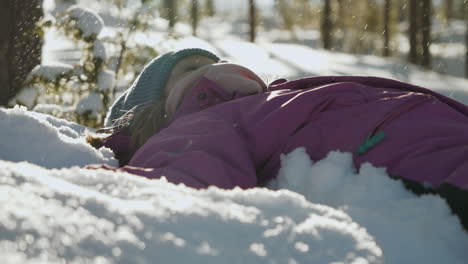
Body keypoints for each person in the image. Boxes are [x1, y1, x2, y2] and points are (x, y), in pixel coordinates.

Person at [88, 48, 468, 229]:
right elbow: (187, 180)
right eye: (192, 68)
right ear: (159, 110)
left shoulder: (272, 102)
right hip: (428, 164)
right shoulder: (198, 121)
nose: (212, 66)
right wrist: (87, 188)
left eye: (212, 59)